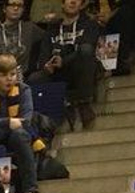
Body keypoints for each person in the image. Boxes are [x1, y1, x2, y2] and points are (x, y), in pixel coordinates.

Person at [0, 53, 44, 193]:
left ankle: (31, 189)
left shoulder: (24, 90)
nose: (10, 79)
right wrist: (8, 122)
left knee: (19, 135)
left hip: (17, 134)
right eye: (3, 75)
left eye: (13, 74)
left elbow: (25, 120)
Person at [28, 0, 100, 130]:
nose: (72, 2)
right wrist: (46, 65)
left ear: (82, 4)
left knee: (85, 50)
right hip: (58, 71)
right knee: (34, 78)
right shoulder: (52, 28)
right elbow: (44, 52)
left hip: (81, 70)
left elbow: (87, 49)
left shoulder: (89, 24)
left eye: (77, 0)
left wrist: (64, 61)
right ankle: (46, 124)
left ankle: (84, 102)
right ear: (62, 4)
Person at [0, 0, 46, 73]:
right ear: (4, 9)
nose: (16, 8)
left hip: (24, 77)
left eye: (20, 5)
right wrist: (0, 73)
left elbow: (48, 37)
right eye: (12, 4)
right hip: (0, 78)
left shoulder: (30, 28)